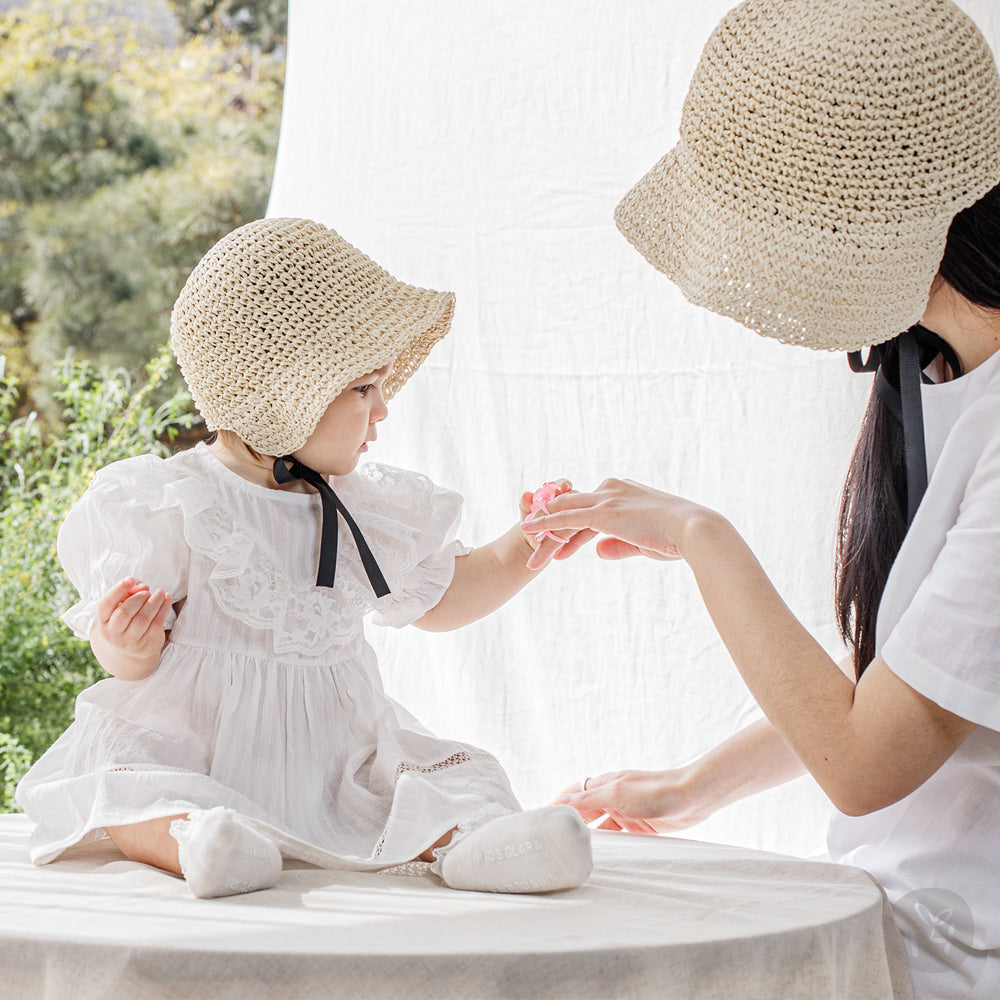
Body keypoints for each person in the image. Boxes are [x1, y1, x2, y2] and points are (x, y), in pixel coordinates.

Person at [522, 0, 1000, 996]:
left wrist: (701, 537)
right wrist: (686, 788)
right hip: (901, 914)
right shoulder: (937, 370)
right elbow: (913, 677)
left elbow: (868, 761)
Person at [15, 217, 592, 899]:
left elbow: (447, 597)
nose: (382, 412)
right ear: (283, 391)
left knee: (447, 778)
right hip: (199, 748)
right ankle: (200, 843)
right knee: (128, 780)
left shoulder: (361, 508)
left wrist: (531, 542)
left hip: (335, 756)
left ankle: (473, 845)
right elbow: (131, 662)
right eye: (362, 390)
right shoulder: (177, 502)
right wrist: (125, 643)